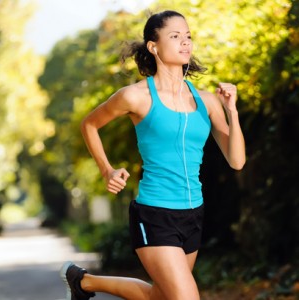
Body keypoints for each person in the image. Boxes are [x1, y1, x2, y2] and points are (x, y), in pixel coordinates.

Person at [60, 10, 246, 300]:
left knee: (160, 296)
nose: (185, 42)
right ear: (153, 46)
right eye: (175, 36)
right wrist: (106, 169)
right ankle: (84, 283)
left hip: (193, 213)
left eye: (188, 36)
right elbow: (90, 124)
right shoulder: (136, 96)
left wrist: (232, 111)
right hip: (155, 213)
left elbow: (236, 160)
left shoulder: (207, 101)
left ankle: (84, 282)